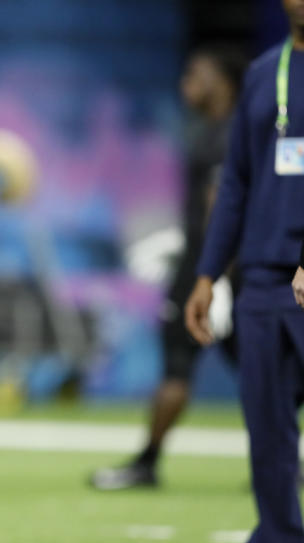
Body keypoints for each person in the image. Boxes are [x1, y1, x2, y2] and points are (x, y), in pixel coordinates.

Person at [185, 0, 304, 543]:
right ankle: (280, 540)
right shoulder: (263, 73)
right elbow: (235, 181)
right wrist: (209, 273)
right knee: (266, 417)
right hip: (260, 276)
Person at [90, 46, 244, 490]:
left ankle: (147, 463)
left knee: (178, 363)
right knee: (264, 373)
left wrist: (214, 276)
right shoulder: (218, 130)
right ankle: (279, 462)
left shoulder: (226, 135)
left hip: (210, 273)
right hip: (219, 265)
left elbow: (220, 208)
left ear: (224, 80)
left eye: (198, 74)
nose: (186, 84)